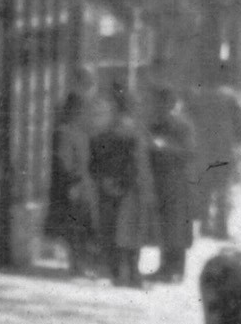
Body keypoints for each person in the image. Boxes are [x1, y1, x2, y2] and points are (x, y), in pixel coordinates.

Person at [86, 84, 150, 288]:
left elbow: (95, 156)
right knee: (130, 231)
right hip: (129, 186)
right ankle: (131, 273)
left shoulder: (105, 128)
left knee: (112, 229)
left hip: (110, 184)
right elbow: (136, 161)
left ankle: (118, 273)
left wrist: (103, 178)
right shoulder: (132, 130)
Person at [48, 89, 102, 276]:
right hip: (73, 186)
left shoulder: (81, 133)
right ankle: (76, 264)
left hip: (84, 185)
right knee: (75, 227)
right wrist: (73, 181)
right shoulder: (63, 132)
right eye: (77, 109)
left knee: (85, 226)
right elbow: (63, 161)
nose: (80, 113)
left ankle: (82, 263)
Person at [145, 87, 200, 266]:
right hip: (160, 179)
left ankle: (176, 268)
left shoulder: (182, 125)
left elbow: (190, 152)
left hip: (178, 179)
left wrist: (166, 148)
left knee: (177, 225)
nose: (159, 107)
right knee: (164, 224)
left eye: (163, 103)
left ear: (171, 104)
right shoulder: (153, 125)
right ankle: (165, 266)